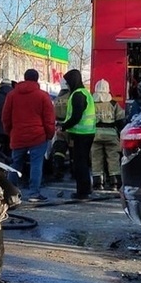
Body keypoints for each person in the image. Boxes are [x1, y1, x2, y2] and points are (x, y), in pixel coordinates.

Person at [2, 69, 56, 203]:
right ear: (37, 79)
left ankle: (10, 193)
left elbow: (5, 117)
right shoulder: (43, 96)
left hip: (18, 135)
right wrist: (49, 134)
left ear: (24, 78)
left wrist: (10, 132)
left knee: (15, 165)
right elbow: (49, 118)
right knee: (36, 164)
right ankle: (34, 193)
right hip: (38, 136)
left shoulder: (12, 95)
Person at [60, 68, 96, 200]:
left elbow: (76, 116)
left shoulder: (77, 95)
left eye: (68, 81)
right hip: (88, 133)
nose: (67, 84)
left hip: (81, 134)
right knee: (84, 163)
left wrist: (63, 126)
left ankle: (82, 191)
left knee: (80, 164)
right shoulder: (85, 93)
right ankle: (85, 189)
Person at [89, 79, 125, 191]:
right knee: (113, 158)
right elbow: (121, 121)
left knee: (96, 159)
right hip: (111, 135)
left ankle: (98, 183)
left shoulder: (91, 103)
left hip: (95, 135)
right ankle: (114, 182)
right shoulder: (113, 104)